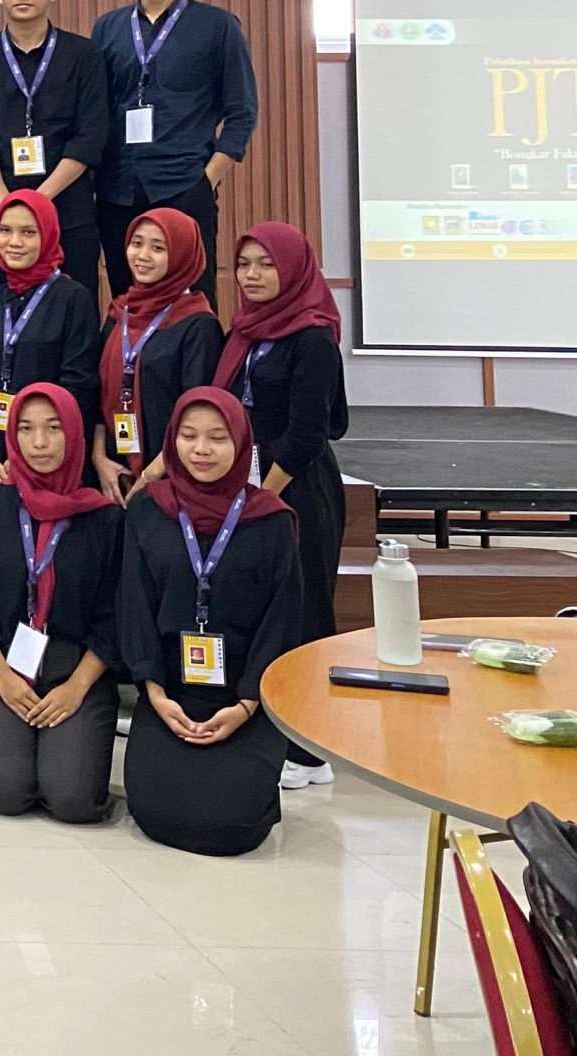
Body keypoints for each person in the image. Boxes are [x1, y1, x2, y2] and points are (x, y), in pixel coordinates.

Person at [117, 388, 298, 855]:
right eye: (189, 436)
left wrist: (247, 705)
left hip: (244, 693)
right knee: (155, 810)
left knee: (232, 823)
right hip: (169, 690)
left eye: (218, 438)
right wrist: (155, 694)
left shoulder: (272, 521)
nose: (201, 449)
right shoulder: (148, 510)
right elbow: (134, 605)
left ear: (241, 444)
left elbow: (282, 620)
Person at [214, 222, 348, 791]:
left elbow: (307, 434)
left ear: (293, 268)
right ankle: (270, 724)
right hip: (248, 487)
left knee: (306, 610)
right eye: (245, 264)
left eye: (266, 264)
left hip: (298, 490)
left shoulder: (313, 338)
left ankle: (311, 750)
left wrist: (264, 495)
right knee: (262, 608)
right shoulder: (244, 329)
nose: (252, 275)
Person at [0, 384, 120, 824]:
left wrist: (77, 687)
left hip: (76, 667)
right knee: (5, 793)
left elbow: (115, 615)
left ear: (75, 433)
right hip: (1, 661)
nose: (39, 442)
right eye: (26, 429)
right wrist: (1, 677)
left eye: (53, 428)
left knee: (72, 800)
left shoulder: (105, 520)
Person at [90, 0, 258, 296]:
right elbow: (97, 109)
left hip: (184, 183)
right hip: (117, 189)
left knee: (191, 299)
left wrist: (206, 179)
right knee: (127, 299)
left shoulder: (217, 26)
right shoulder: (107, 28)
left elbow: (242, 111)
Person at [0, 0, 110, 291]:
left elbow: (90, 136)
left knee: (74, 307)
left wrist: (38, 202)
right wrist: (10, 208)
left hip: (68, 212)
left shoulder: (84, 55)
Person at [95, 208, 221, 500]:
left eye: (158, 248)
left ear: (181, 254)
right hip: (111, 475)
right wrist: (98, 459)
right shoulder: (120, 313)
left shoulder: (198, 324)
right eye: (136, 243)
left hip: (171, 477)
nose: (143, 256)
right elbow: (95, 393)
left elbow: (197, 412)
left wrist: (151, 475)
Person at [0, 192, 101, 488]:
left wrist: (29, 448)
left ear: (48, 235)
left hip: (50, 452)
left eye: (28, 232)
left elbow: (79, 385)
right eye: (5, 230)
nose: (14, 242)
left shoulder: (73, 298)